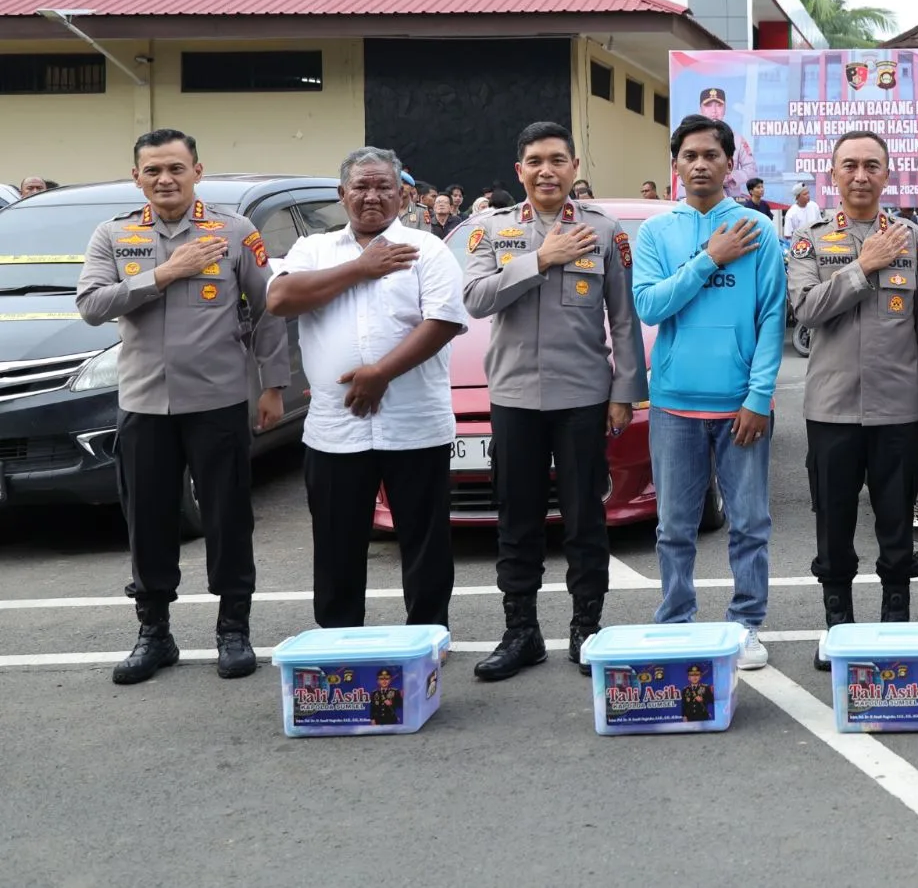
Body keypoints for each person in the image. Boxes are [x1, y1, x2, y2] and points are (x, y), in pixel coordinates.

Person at [77, 128, 288, 685]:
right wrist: (165, 273)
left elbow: (268, 309)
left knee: (227, 517)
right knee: (148, 519)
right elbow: (91, 305)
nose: (165, 179)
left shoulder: (234, 231)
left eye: (175, 168)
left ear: (197, 171)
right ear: (137, 178)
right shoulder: (113, 234)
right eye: (153, 170)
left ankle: (233, 630)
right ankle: (155, 633)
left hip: (218, 400)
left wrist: (273, 385)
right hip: (144, 402)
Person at [459, 122, 645, 680]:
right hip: (514, 395)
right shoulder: (491, 229)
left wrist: (625, 392)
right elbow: (475, 299)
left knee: (585, 517)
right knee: (517, 516)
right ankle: (521, 631)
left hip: (582, 395)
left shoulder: (604, 230)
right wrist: (541, 259)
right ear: (520, 170)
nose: (547, 171)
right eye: (536, 161)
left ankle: (587, 626)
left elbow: (624, 318)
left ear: (574, 167)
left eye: (557, 160)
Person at [266, 147, 467, 634]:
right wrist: (362, 267)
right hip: (336, 430)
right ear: (342, 194)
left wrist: (381, 373)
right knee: (337, 544)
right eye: (361, 186)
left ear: (403, 195)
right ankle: (340, 643)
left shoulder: (427, 249)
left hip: (414, 424)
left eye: (383, 187)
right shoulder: (313, 249)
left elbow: (443, 320)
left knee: (424, 542)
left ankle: (427, 639)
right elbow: (280, 298)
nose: (372, 196)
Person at [789, 130, 918, 669]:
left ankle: (894, 623)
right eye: (850, 165)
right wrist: (863, 266)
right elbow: (806, 310)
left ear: (887, 174)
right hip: (831, 409)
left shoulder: (913, 239)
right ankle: (838, 627)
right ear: (832, 174)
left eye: (871, 165)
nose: (861, 175)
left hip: (898, 408)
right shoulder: (810, 239)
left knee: (897, 522)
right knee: (833, 524)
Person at [632, 114, 785, 672]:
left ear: (729, 163)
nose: (700, 165)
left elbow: (772, 318)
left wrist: (758, 398)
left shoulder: (757, 229)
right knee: (674, 526)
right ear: (675, 165)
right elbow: (650, 305)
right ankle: (676, 621)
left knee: (749, 524)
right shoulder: (656, 232)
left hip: (741, 404)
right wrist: (709, 259)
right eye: (690, 156)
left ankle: (747, 623)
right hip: (674, 402)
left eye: (711, 155)